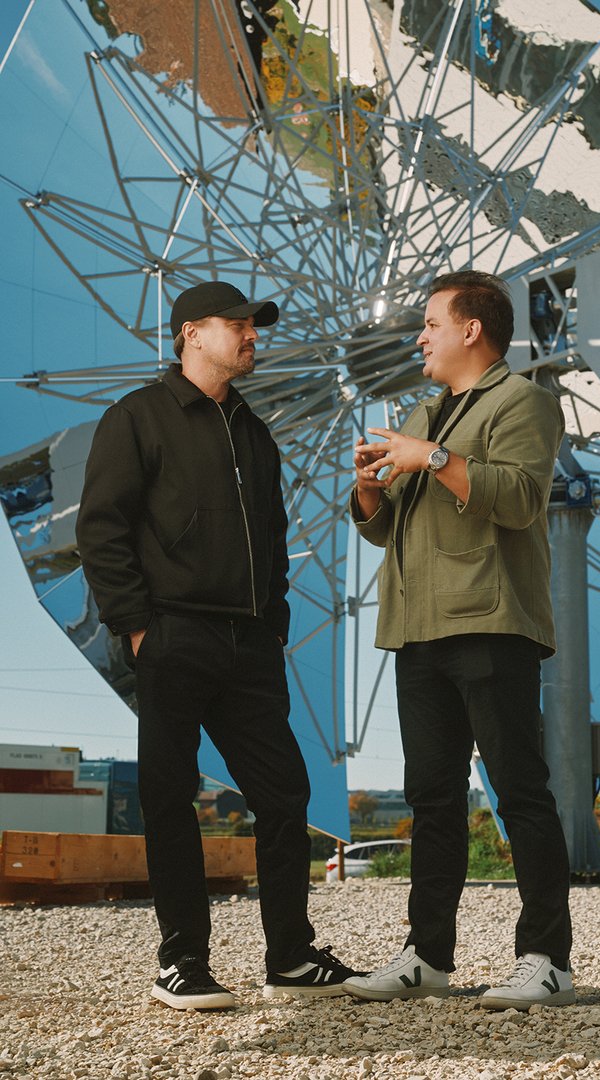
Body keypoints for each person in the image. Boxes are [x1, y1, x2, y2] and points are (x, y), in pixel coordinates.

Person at [76, 280, 359, 1010]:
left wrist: (273, 627)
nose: (251, 335)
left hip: (249, 646)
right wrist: (138, 627)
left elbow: (273, 541)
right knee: (171, 798)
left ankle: (290, 957)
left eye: (254, 326)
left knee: (284, 794)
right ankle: (182, 962)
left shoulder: (255, 432)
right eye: (236, 325)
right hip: (171, 633)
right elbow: (101, 530)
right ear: (190, 333)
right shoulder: (138, 417)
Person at [342, 270, 574, 1010]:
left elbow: (518, 498)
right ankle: (426, 957)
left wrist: (432, 459)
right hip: (416, 630)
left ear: (472, 330)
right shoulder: (424, 412)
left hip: (491, 621)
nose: (420, 334)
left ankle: (546, 959)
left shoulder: (525, 402)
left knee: (520, 792)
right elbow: (391, 527)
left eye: (432, 322)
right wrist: (373, 490)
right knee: (432, 798)